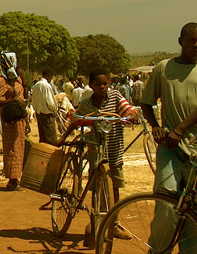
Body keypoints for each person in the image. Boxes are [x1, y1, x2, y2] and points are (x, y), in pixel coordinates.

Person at [140, 22, 197, 254]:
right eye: (191, 40)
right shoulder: (164, 68)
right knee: (166, 202)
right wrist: (156, 127)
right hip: (169, 149)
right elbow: (146, 103)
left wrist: (179, 130)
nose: (196, 45)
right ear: (180, 41)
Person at [58, 69, 138, 239]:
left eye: (105, 83)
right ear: (91, 85)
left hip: (114, 151)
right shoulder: (87, 103)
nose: (102, 87)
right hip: (95, 150)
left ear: (109, 83)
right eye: (98, 84)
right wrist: (63, 137)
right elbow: (76, 120)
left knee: (114, 188)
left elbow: (127, 108)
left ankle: (114, 224)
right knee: (96, 189)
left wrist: (131, 115)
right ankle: (95, 222)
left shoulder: (115, 97)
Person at [0, 51, 27, 191]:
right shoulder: (0, 82)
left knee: (19, 148)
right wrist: (13, 100)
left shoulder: (18, 80)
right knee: (12, 149)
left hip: (20, 120)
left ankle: (16, 179)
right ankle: (12, 180)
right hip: (10, 120)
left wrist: (24, 79)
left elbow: (25, 94)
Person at [31, 68, 58, 145]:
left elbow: (33, 101)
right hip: (48, 116)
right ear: (49, 76)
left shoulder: (36, 85)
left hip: (39, 114)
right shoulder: (46, 86)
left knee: (43, 138)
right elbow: (50, 102)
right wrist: (55, 110)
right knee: (51, 140)